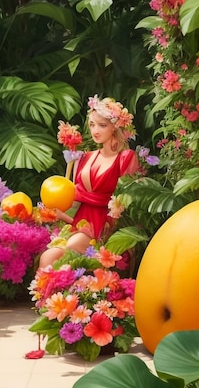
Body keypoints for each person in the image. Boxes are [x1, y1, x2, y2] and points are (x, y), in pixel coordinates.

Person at [38, 95, 140, 268]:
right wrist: (59, 214)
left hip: (106, 226)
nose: (95, 131)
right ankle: (50, 294)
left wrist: (111, 229)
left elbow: (127, 203)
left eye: (102, 125)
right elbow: (76, 200)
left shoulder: (125, 158)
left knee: (72, 247)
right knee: (47, 257)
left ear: (114, 127)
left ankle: (73, 291)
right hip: (79, 223)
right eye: (92, 125)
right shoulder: (86, 158)